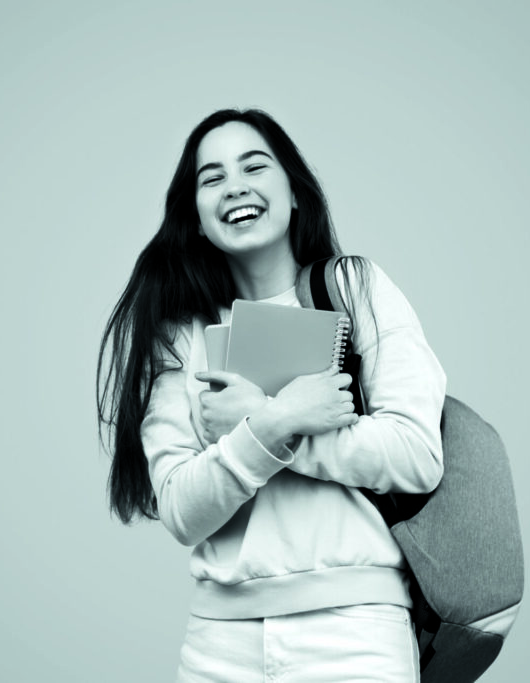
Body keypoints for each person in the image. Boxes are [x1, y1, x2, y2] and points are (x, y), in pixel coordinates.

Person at [96, 108, 446, 682]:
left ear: (294, 193)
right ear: (199, 221)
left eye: (254, 166)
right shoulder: (179, 336)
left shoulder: (354, 289)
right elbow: (182, 511)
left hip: (355, 634)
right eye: (212, 178)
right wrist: (278, 423)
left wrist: (261, 417)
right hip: (218, 647)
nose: (235, 185)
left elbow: (416, 456)